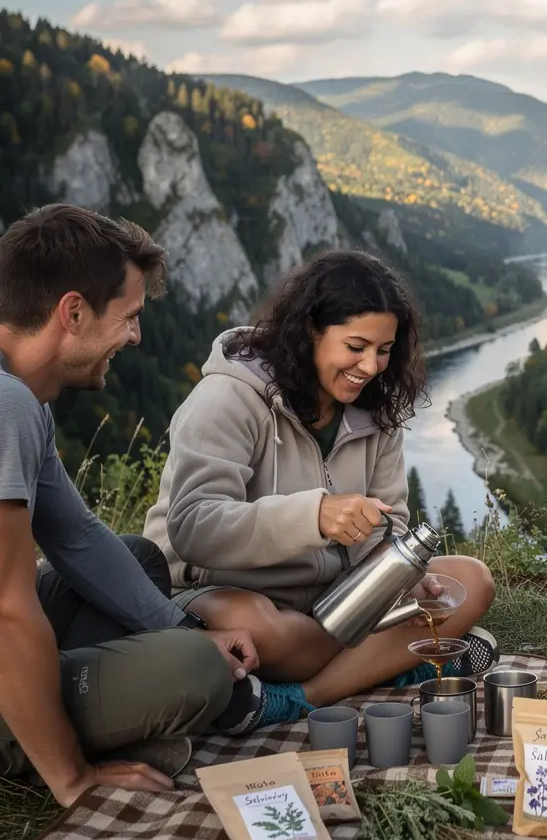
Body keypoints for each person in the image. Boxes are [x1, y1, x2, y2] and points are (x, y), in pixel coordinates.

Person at [0, 204, 273, 808]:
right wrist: (73, 777)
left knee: (137, 558)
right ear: (72, 312)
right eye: (128, 318)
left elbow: (76, 539)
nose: (136, 337)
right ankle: (48, 744)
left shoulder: (23, 397)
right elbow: (7, 614)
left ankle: (81, 703)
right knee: (194, 677)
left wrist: (188, 629)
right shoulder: (5, 406)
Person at [144, 249, 498, 713]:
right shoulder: (226, 397)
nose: (371, 367)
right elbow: (193, 527)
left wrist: (400, 580)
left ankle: (294, 699)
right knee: (261, 629)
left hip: (334, 601)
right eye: (356, 347)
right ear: (310, 330)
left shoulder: (378, 411)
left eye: (384, 350)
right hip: (223, 592)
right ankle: (391, 665)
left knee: (471, 580)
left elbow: (386, 530)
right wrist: (313, 517)